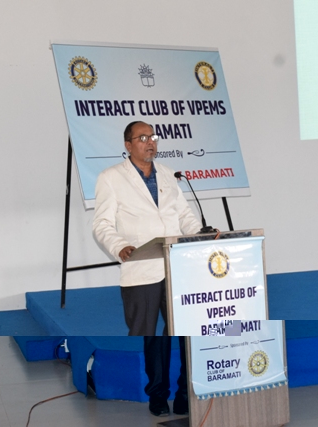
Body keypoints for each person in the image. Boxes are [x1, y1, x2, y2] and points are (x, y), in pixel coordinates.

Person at [93, 121, 201, 416]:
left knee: (186, 331)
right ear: (128, 145)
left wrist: (200, 234)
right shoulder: (111, 178)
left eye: (152, 137)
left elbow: (184, 215)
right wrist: (119, 246)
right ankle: (158, 396)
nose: (150, 142)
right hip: (141, 266)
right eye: (142, 138)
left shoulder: (167, 173)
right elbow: (102, 224)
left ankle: (184, 394)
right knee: (152, 336)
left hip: (176, 266)